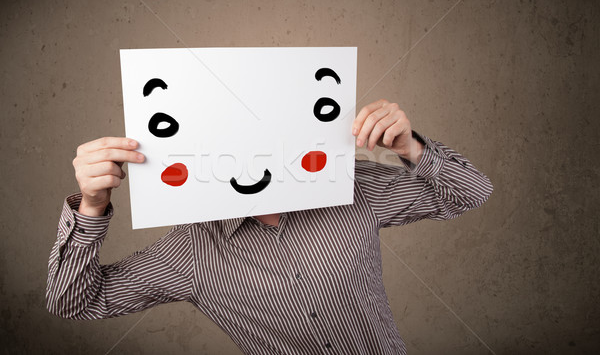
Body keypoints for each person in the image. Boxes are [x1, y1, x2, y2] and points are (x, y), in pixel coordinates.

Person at [46, 99, 493, 354]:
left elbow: (469, 191)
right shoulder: (192, 249)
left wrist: (410, 146)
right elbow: (73, 301)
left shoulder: (351, 186)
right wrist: (91, 205)